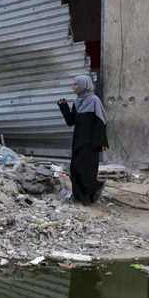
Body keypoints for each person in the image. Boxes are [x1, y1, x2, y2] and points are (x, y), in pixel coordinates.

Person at [57, 76, 109, 205]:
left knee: (87, 171)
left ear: (84, 85)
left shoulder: (94, 100)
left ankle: (93, 191)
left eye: (76, 84)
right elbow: (71, 121)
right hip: (78, 141)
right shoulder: (77, 102)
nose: (73, 87)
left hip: (91, 143)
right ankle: (80, 197)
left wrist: (102, 141)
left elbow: (101, 121)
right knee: (75, 168)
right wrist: (64, 107)